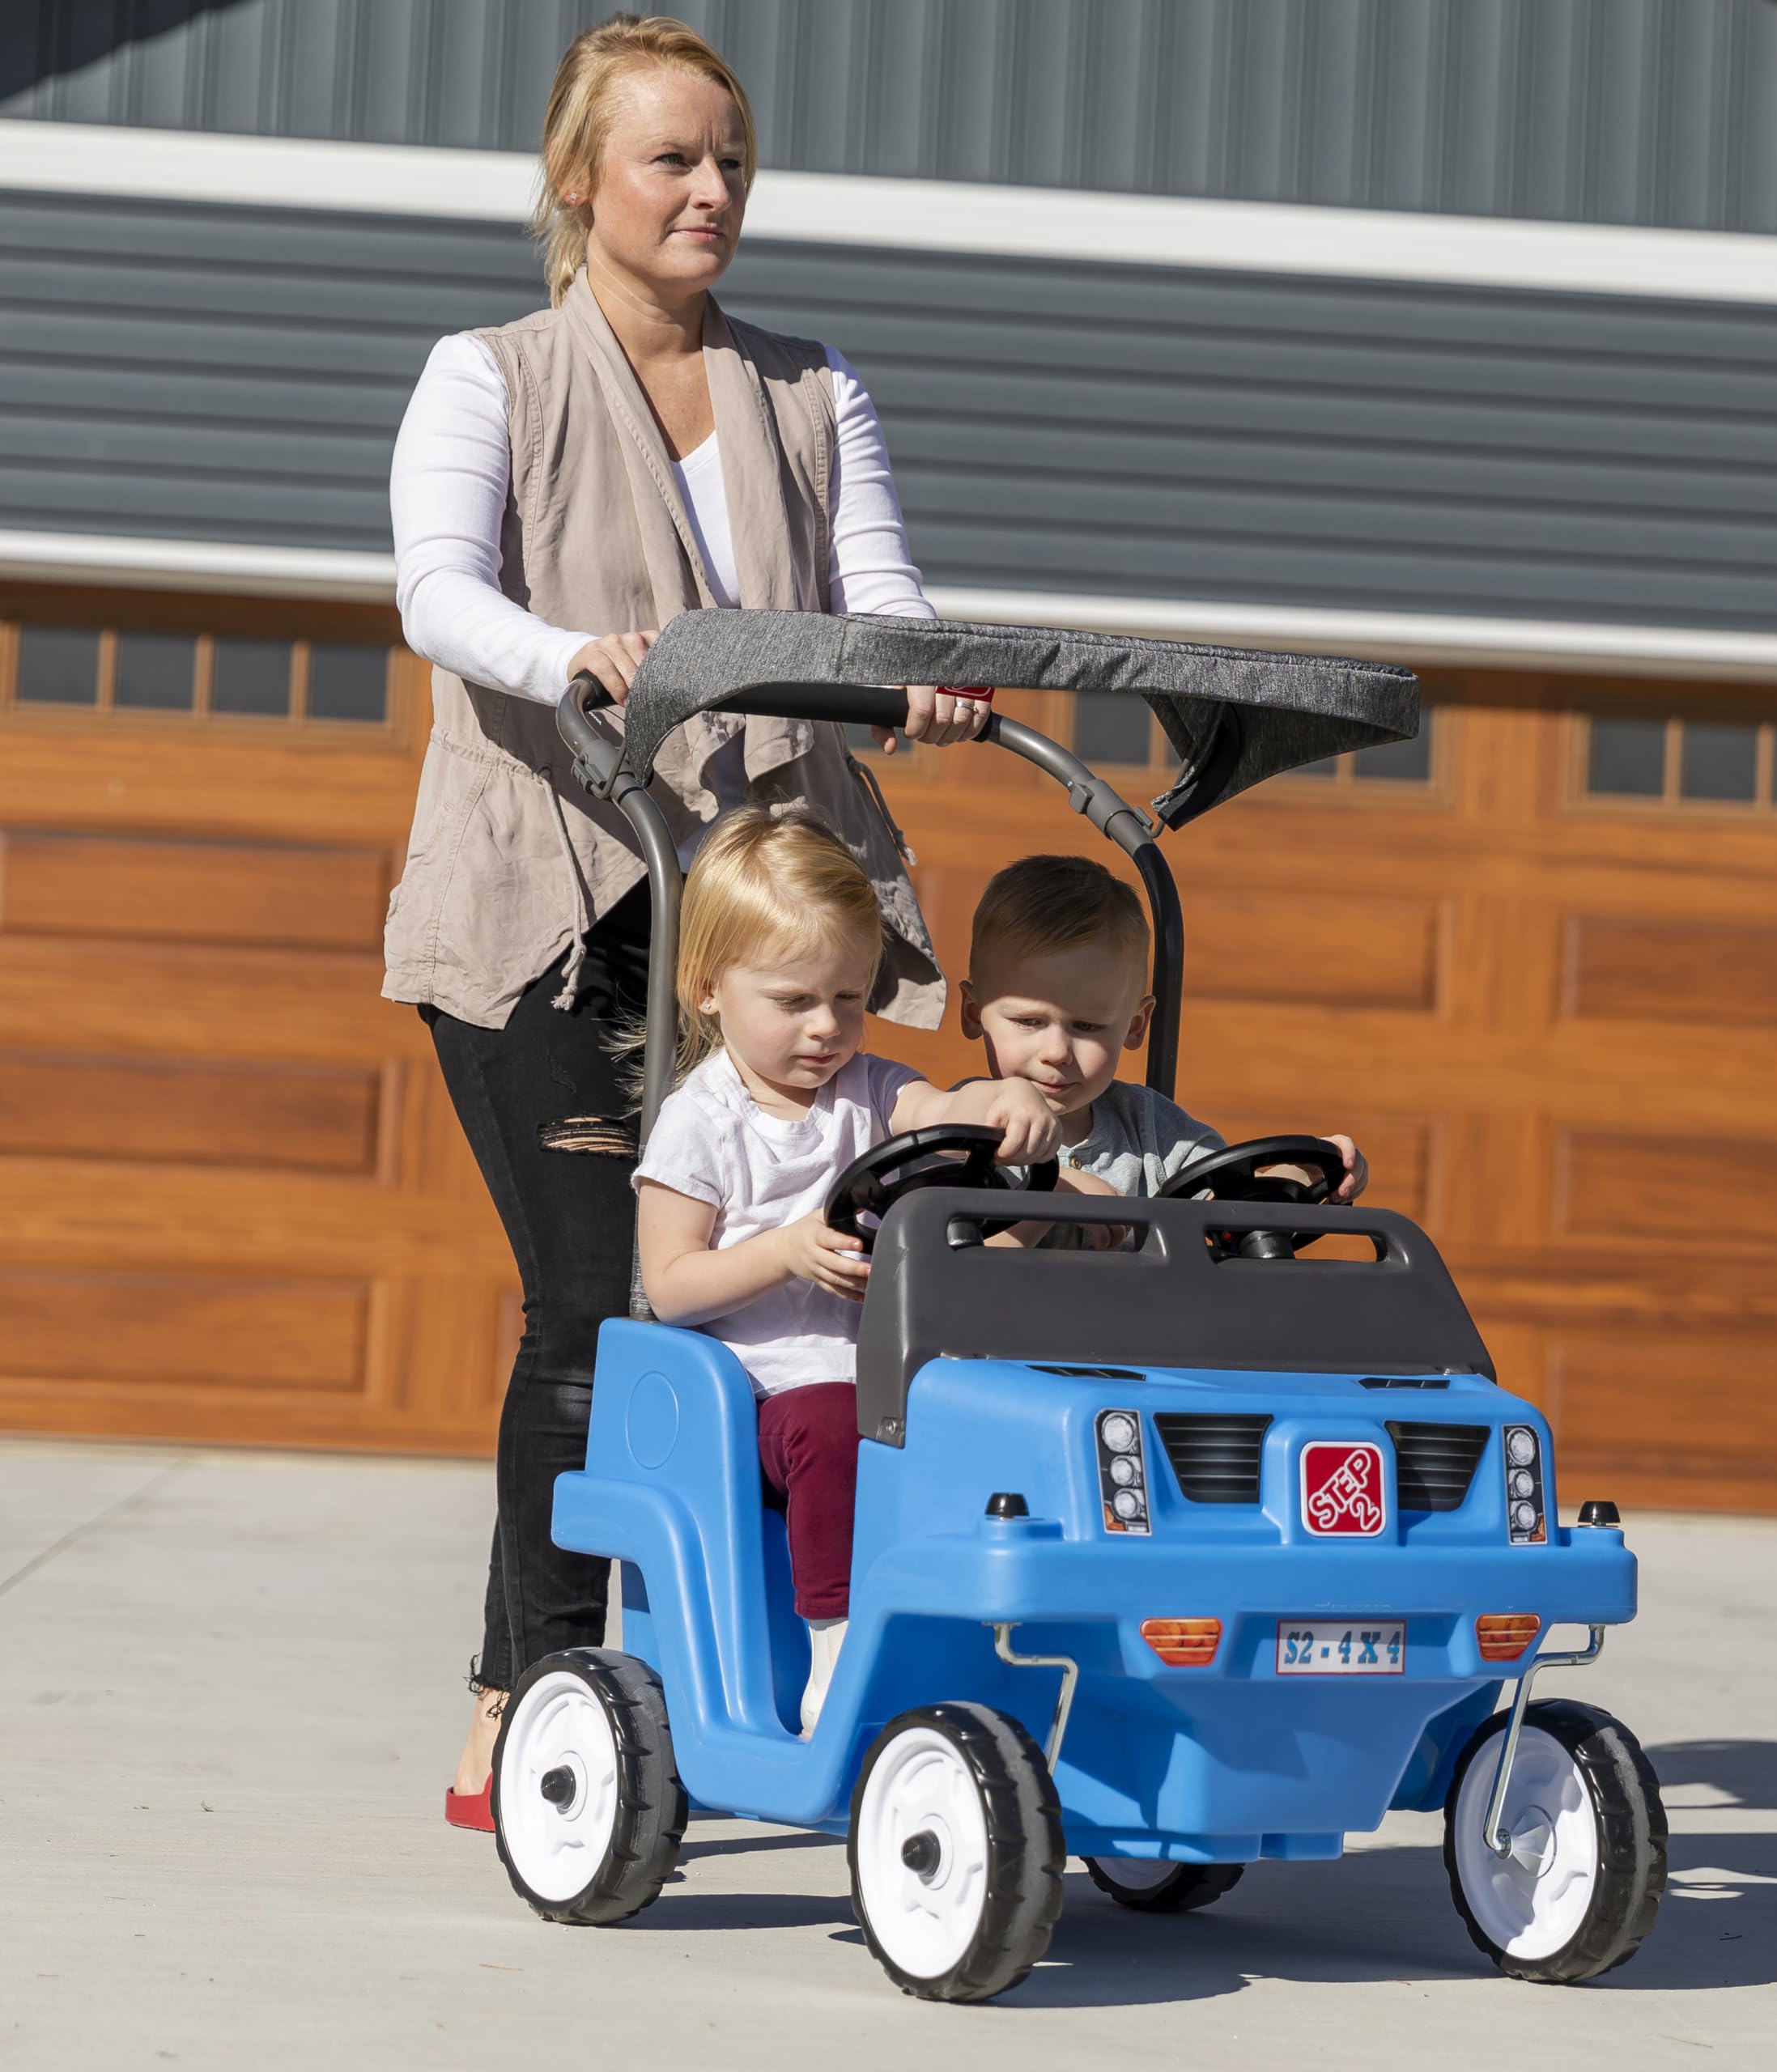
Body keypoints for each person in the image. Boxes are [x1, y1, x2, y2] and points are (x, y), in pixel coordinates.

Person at [383, 14, 992, 1828]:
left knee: (822, 1313)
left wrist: (921, 675)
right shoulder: (488, 371)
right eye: (672, 158)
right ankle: (530, 1689)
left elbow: (871, 590)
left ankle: (778, 1667)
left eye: (730, 156)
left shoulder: (813, 388)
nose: (712, 188)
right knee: (596, 1308)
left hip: (760, 919)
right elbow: (436, 588)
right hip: (548, 908)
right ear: (581, 183)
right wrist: (567, 649)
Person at [633, 810, 1066, 1734]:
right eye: (794, 1001)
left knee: (1014, 1423)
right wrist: (783, 1251)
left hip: (890, 1384)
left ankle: (1014, 1660)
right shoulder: (700, 1119)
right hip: (754, 1401)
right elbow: (669, 1283)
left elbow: (941, 1104)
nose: (828, 1027)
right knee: (834, 1425)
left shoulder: (870, 1090)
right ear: (708, 989)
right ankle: (835, 1644)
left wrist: (1006, 1095)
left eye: (849, 998)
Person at [960, 854, 1371, 1206]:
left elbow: (1223, 1202)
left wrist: (1300, 1173)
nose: (1057, 1051)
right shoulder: (965, 1122)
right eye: (1029, 1021)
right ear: (975, 1014)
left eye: (1086, 1026)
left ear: (1135, 1026)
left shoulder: (1152, 1130)